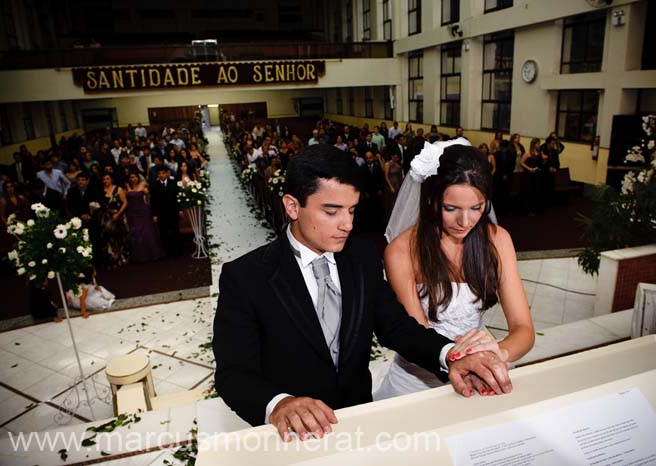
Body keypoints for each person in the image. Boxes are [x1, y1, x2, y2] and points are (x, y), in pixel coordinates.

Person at [213, 144, 513, 442]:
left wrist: (450, 356)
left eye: (352, 210)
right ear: (293, 206)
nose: (347, 224)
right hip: (292, 437)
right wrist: (278, 404)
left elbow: (396, 326)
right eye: (331, 211)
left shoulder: (363, 257)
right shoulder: (246, 277)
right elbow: (233, 374)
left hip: (358, 423)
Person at [377, 141, 534, 399]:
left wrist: (497, 352)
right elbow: (417, 335)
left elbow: (523, 329)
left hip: (483, 369)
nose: (465, 221)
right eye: (451, 209)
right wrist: (465, 358)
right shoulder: (401, 251)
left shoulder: (498, 240)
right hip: (419, 380)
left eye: (476, 208)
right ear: (430, 198)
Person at [125, 172, 165, 263]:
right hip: (132, 212)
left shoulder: (142, 184)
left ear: (137, 177)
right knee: (136, 233)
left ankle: (153, 254)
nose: (132, 179)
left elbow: (149, 194)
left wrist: (147, 194)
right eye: (131, 177)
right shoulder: (126, 186)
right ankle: (140, 256)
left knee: (147, 231)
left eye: (134, 177)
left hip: (143, 211)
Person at [99, 173, 130, 268]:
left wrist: (118, 214)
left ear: (111, 179)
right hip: (106, 218)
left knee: (120, 237)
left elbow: (125, 202)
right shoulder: (101, 191)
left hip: (118, 215)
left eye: (107, 179)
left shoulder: (118, 189)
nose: (106, 181)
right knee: (109, 238)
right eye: (104, 179)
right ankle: (113, 259)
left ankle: (122, 258)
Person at [150, 165, 181, 255]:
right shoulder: (154, 185)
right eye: (159, 173)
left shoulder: (173, 182)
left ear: (167, 173)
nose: (161, 175)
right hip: (161, 213)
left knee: (175, 231)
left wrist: (180, 210)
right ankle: (167, 251)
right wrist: (154, 214)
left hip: (173, 211)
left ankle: (177, 251)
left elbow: (177, 198)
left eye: (163, 173)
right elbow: (153, 201)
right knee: (163, 233)